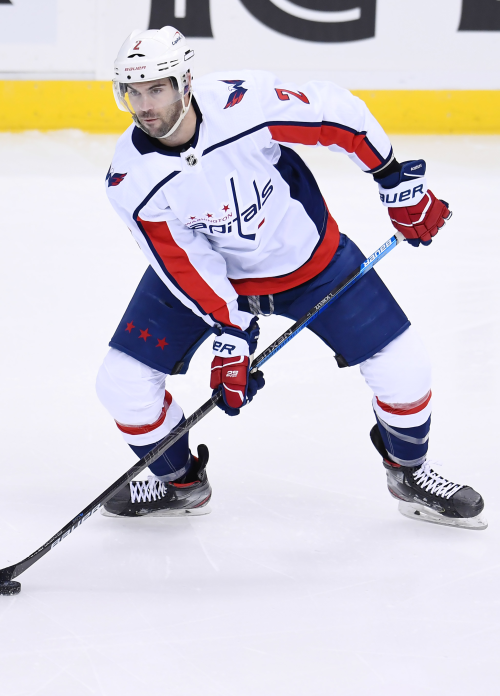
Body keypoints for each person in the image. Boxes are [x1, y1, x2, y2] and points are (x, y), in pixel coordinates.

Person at [96, 26, 486, 529]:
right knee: (121, 382)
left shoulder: (240, 104)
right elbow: (180, 261)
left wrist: (393, 180)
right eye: (133, 92)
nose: (145, 105)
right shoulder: (130, 177)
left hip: (310, 264)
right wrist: (230, 330)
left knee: (406, 368)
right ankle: (180, 484)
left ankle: (409, 473)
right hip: (212, 283)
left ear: (185, 82)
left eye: (157, 88)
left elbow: (335, 114)